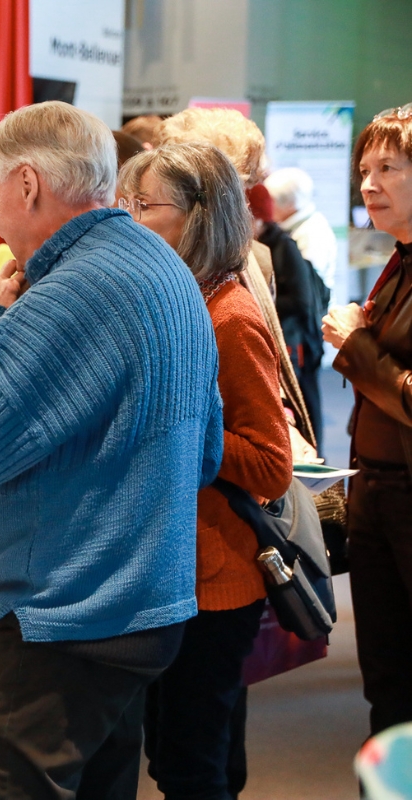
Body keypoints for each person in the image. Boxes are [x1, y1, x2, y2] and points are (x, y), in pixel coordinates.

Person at [0, 102, 223, 800]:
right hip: (140, 608)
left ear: (28, 184)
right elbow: (204, 452)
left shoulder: (76, 288)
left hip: (69, 619)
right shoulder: (163, 265)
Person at [120, 142, 293, 799]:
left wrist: (183, 437)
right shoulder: (185, 302)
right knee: (173, 757)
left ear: (197, 215)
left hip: (215, 582)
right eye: (127, 203)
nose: (130, 219)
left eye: (146, 205)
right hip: (176, 571)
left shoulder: (229, 317)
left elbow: (273, 466)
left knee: (192, 768)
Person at [324, 102, 412, 737]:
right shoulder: (398, 260)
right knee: (387, 683)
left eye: (388, 167)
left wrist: (356, 343)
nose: (369, 184)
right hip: (379, 492)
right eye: (364, 169)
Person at [159, 107, 319, 453]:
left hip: (227, 458)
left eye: (241, 187)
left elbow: (261, 373)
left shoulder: (256, 259)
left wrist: (281, 419)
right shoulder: (148, 259)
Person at [248, 183, 326, 453]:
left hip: (296, 342)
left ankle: (316, 460)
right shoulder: (262, 245)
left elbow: (301, 301)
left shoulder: (283, 246)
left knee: (303, 399)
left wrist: (260, 300)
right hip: (285, 339)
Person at [266, 166, 338, 306]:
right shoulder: (295, 225)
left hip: (311, 319)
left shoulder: (313, 233)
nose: (268, 208)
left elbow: (307, 287)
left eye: (271, 202)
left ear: (290, 205)